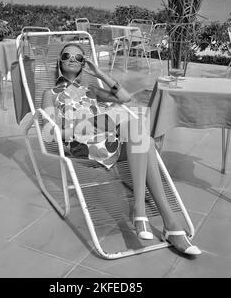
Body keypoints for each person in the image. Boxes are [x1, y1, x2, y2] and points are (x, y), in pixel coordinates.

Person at [42, 43, 201, 256]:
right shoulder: (49, 93)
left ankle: (149, 214)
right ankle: (166, 222)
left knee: (141, 135)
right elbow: (49, 132)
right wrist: (87, 124)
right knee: (146, 142)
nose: (73, 59)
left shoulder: (90, 90)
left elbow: (125, 98)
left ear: (82, 65)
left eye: (79, 58)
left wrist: (100, 73)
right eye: (67, 56)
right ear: (59, 61)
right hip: (80, 144)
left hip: (106, 140)